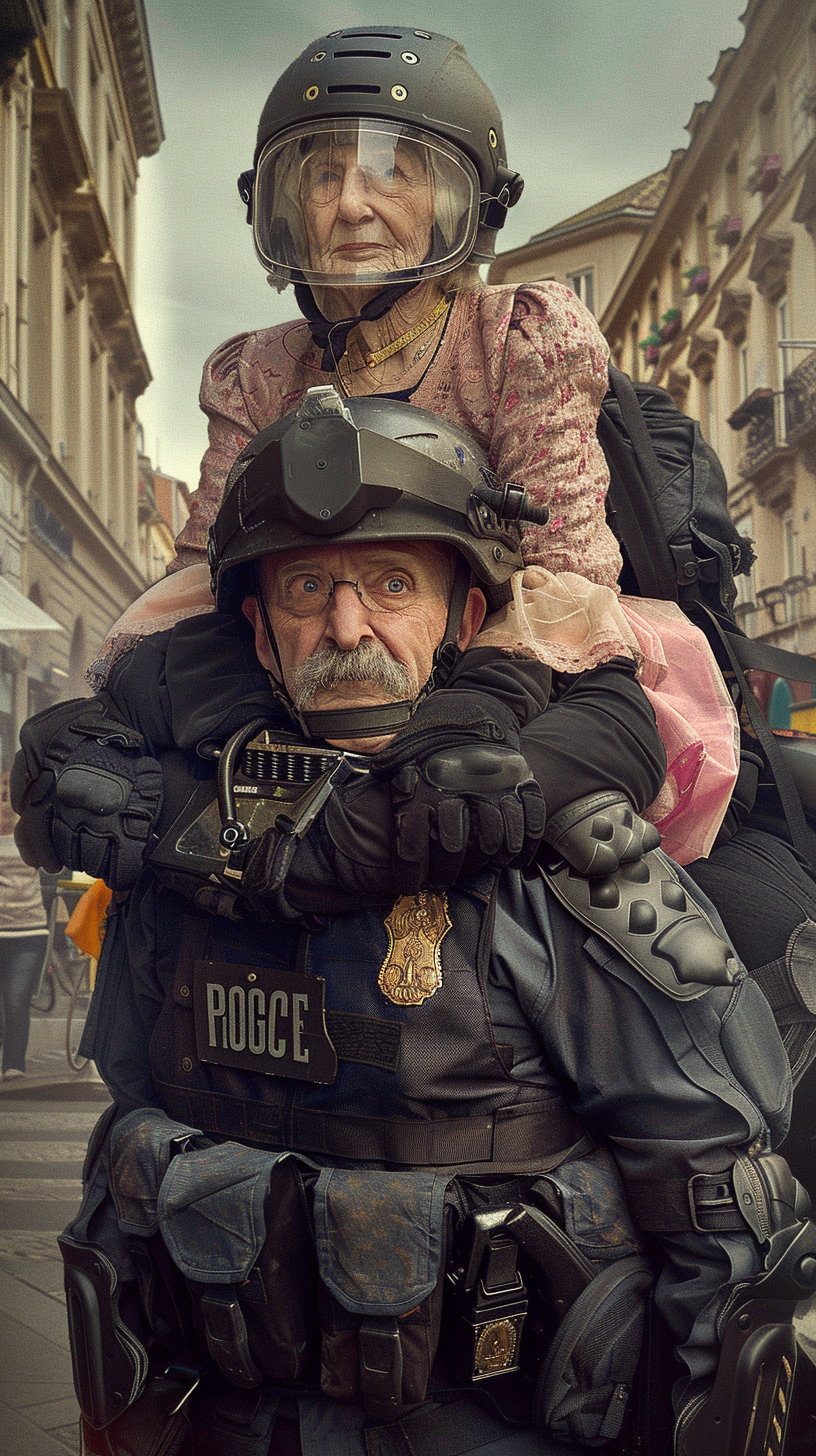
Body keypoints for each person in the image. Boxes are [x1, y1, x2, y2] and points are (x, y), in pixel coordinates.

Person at [27, 396, 816, 1456]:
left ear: (467, 619)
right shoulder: (180, 862)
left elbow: (722, 1205)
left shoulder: (573, 855)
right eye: (308, 588)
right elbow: (132, 1133)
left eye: (393, 585)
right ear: (258, 632)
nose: (347, 628)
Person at [0, 771, 48, 1079]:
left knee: (17, 1001)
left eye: (8, 792)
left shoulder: (30, 830)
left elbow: (52, 864)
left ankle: (13, 1063)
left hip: (30, 928)